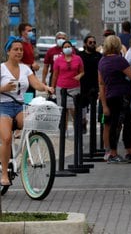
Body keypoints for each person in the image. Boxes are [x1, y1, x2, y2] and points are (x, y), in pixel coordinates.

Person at [0, 36, 54, 186]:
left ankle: (26, 154)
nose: (19, 52)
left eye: (21, 50)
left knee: (31, 125)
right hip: (3, 106)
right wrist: (3, 89)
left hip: (20, 105)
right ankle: (4, 173)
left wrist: (46, 88)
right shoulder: (2, 68)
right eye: (15, 49)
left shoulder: (25, 68)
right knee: (6, 138)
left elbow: (35, 83)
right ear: (8, 51)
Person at [98, 35, 131, 163]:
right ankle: (126, 151)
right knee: (126, 123)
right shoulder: (119, 60)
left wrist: (104, 104)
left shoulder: (102, 61)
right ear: (117, 46)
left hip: (109, 96)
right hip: (122, 95)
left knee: (112, 124)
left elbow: (101, 84)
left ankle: (112, 152)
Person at [51, 40, 84, 127]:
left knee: (74, 111)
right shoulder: (58, 60)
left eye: (69, 46)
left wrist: (79, 76)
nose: (67, 48)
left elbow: (82, 72)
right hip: (61, 88)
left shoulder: (78, 58)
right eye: (65, 47)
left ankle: (77, 132)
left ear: (72, 48)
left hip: (74, 87)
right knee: (63, 112)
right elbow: (55, 75)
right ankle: (63, 133)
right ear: (62, 49)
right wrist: (52, 88)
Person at [77, 35, 102, 134]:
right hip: (82, 85)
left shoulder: (99, 56)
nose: (92, 44)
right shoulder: (80, 55)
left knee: (94, 107)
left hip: (95, 85)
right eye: (90, 42)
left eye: (94, 42)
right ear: (85, 44)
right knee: (83, 106)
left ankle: (95, 128)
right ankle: (83, 121)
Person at [18, 23, 39, 96]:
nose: (31, 33)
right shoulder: (19, 45)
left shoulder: (30, 44)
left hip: (31, 75)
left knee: (31, 100)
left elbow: (31, 60)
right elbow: (16, 61)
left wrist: (35, 65)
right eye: (29, 31)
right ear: (22, 32)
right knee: (25, 100)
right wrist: (30, 66)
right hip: (23, 77)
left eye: (31, 30)